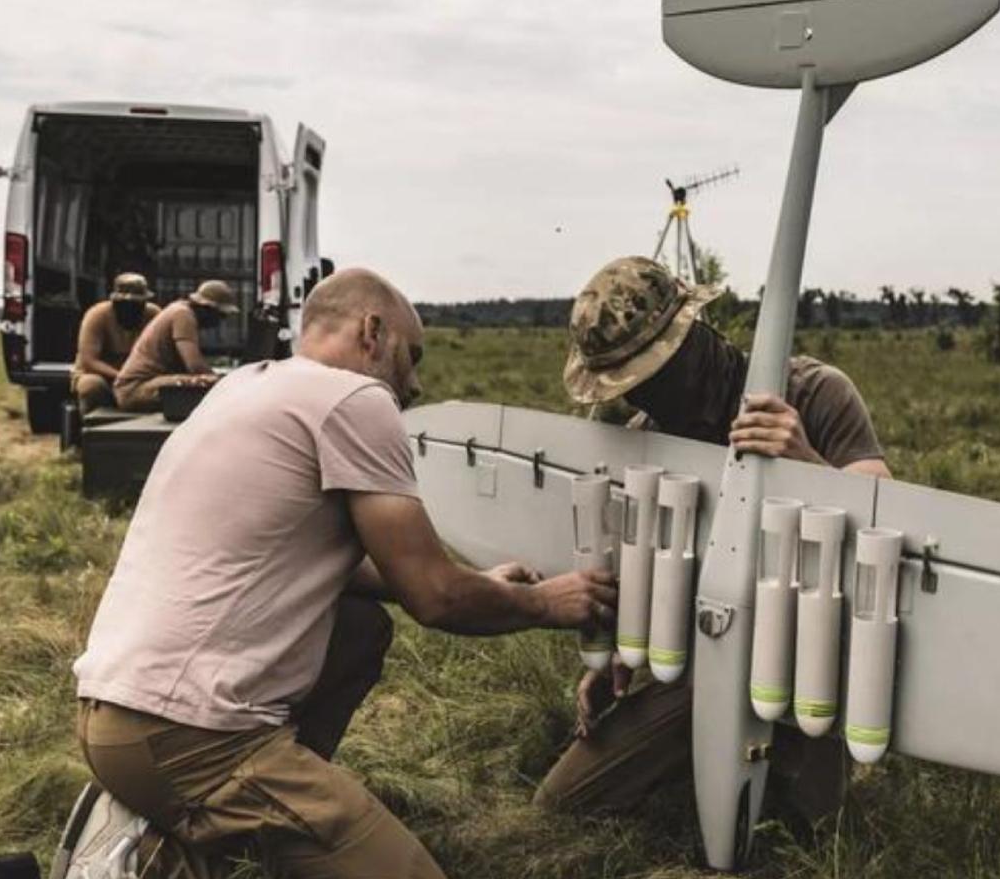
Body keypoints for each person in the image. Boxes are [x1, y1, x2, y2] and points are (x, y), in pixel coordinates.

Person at [63, 268, 618, 879]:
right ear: (372, 332)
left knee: (358, 627)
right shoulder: (354, 400)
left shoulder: (245, 386)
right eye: (412, 355)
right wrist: (547, 604)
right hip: (192, 739)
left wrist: (484, 582)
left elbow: (338, 566)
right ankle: (165, 847)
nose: (415, 381)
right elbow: (434, 598)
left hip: (111, 715)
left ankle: (185, 836)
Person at [535, 255, 890, 825]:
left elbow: (883, 521)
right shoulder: (645, 439)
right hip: (706, 664)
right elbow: (652, 572)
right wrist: (622, 654)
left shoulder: (813, 392)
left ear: (692, 335)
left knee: (815, 834)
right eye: (631, 387)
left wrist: (804, 462)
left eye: (653, 376)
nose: (644, 397)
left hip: (813, 657)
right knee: (563, 804)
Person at [112, 279, 238, 412]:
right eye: (221, 315)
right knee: (206, 383)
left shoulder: (180, 310)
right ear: (207, 308)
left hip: (145, 385)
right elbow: (195, 366)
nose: (220, 322)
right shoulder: (183, 314)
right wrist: (222, 383)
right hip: (135, 389)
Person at [71, 273, 161, 414]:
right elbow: (89, 360)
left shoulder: (154, 315)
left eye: (137, 304)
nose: (131, 309)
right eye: (125, 305)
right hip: (103, 375)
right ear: (114, 301)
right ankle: (90, 429)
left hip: (139, 377)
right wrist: (121, 376)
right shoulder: (97, 315)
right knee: (90, 385)